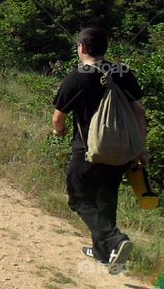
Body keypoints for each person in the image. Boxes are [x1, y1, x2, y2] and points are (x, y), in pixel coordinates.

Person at [52, 27, 149, 271]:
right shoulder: (123, 73)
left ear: (82, 48)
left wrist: (59, 131)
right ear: (105, 48)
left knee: (79, 198)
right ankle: (104, 253)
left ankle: (116, 240)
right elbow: (139, 112)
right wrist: (141, 148)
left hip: (87, 150)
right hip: (121, 151)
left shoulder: (77, 77)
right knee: (106, 198)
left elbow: (58, 117)